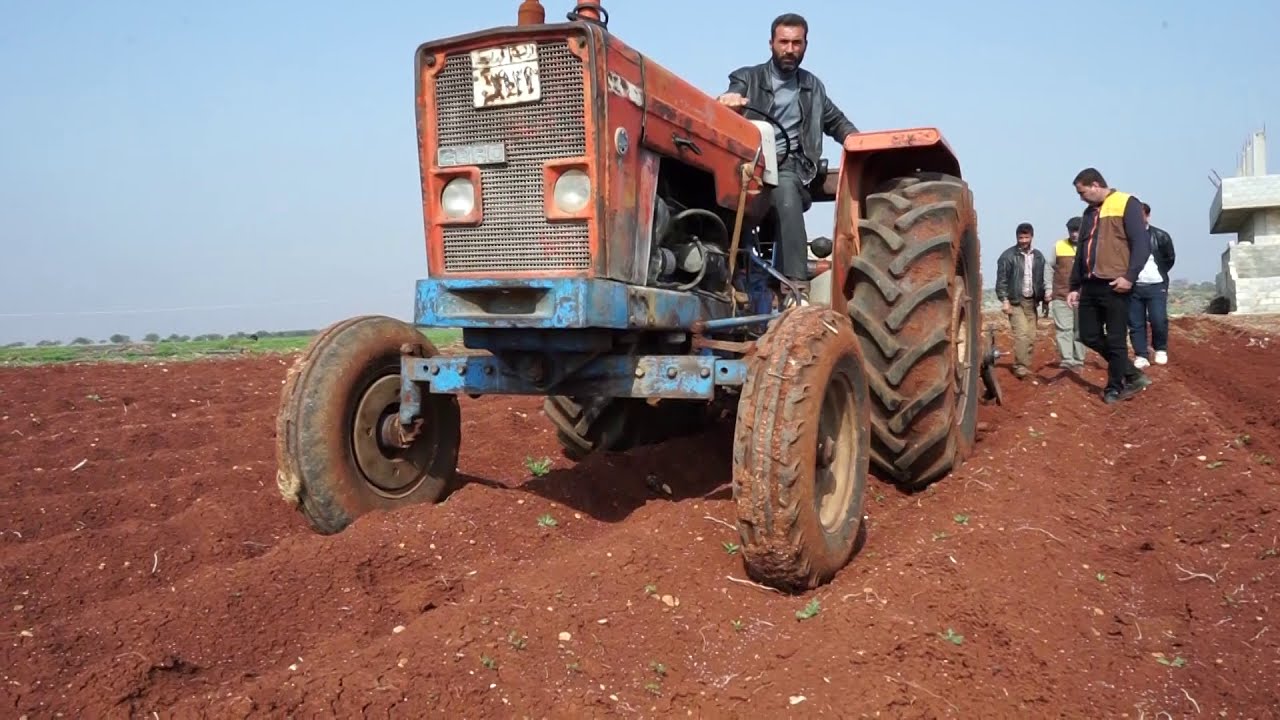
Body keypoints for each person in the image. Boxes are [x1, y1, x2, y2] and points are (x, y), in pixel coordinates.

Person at [717, 12, 858, 307]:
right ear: (771, 43)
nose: (790, 49)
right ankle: (717, 277)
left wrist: (860, 143)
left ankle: (795, 289)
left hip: (794, 167)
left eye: (797, 43)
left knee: (784, 189)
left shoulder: (813, 88)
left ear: (806, 45)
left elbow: (838, 123)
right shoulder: (748, 77)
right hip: (752, 163)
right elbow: (732, 96)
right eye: (784, 42)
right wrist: (729, 100)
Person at [1067, 168, 1153, 404]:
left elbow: (1141, 244)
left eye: (1082, 192)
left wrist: (1130, 276)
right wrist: (1074, 286)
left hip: (1116, 283)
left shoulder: (1127, 203)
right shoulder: (1087, 214)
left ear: (1095, 185)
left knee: (1115, 338)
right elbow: (1081, 253)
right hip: (1090, 284)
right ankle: (1132, 373)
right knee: (1087, 334)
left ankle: (1115, 387)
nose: (1081, 197)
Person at [994, 222, 1049, 379]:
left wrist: (1045, 299)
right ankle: (1020, 367)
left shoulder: (1038, 256)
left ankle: (1026, 364)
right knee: (1022, 334)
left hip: (1031, 301)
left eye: (1026, 237)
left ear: (1032, 237)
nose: (1024, 240)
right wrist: (1004, 300)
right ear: (1016, 237)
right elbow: (1002, 281)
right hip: (1015, 301)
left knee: (1031, 335)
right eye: (1021, 237)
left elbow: (1041, 279)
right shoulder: (1007, 257)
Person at [1128, 202, 1176, 367]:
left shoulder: (1161, 236)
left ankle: (1160, 348)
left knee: (1158, 319)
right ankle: (1141, 354)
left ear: (1147, 216)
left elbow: (1169, 259)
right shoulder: (1126, 238)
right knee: (1135, 322)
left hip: (1156, 285)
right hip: (1134, 286)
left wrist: (1158, 273)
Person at [1049, 216, 1088, 370]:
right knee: (1064, 329)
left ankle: (1079, 359)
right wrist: (1048, 289)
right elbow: (1049, 268)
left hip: (1084, 297)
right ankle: (1067, 359)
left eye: (1077, 231)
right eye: (1071, 231)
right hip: (1061, 295)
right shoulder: (1059, 246)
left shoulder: (1090, 247)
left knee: (1080, 329)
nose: (1074, 234)